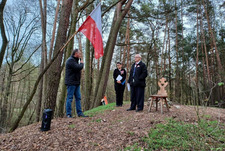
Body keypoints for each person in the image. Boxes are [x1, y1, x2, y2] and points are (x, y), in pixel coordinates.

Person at [65, 49, 88, 118]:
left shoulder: (75, 60)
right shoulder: (70, 60)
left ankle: (80, 113)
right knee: (70, 98)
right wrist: (82, 63)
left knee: (78, 98)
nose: (80, 54)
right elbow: (78, 67)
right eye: (79, 53)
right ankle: (68, 114)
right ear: (75, 53)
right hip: (71, 83)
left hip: (76, 82)